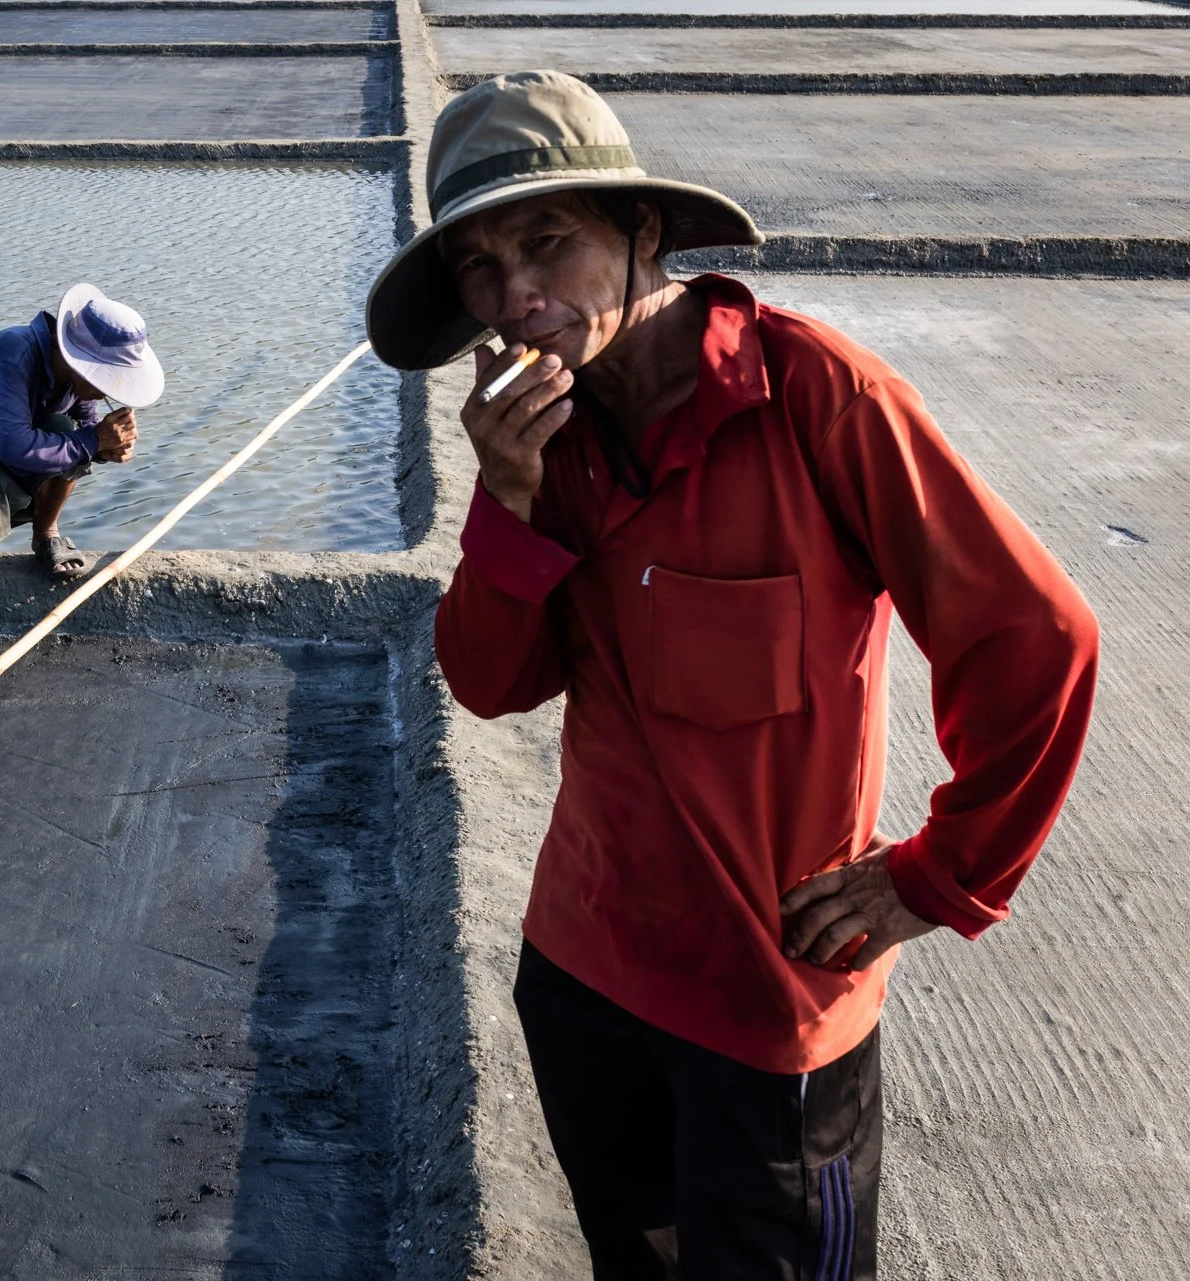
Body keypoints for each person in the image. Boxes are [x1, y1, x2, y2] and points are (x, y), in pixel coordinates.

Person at [366, 71, 1098, 1278]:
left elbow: (1036, 638)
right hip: (585, 971)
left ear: (642, 231)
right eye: (482, 270)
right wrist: (504, 503)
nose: (518, 298)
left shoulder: (818, 399)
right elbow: (494, 685)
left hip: (771, 1017)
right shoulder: (544, 440)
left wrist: (940, 876)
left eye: (549, 242)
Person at [0, 283, 163, 586]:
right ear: (80, 361)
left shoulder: (74, 378)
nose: (107, 391)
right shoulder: (10, 357)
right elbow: (16, 448)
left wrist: (108, 448)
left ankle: (46, 534)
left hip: (15, 477)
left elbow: (85, 434)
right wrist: (95, 440)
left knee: (65, 430)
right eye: (107, 377)